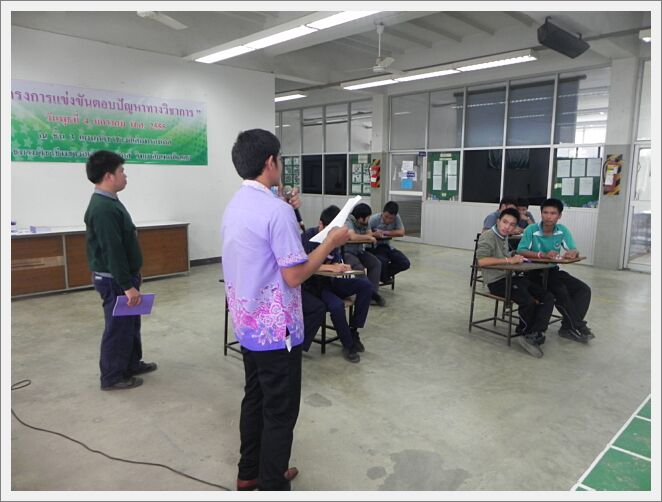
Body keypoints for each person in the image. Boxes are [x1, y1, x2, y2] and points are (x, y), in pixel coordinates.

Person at [222, 129, 348, 491]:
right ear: (270, 162)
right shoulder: (276, 212)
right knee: (280, 412)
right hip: (276, 332)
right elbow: (295, 275)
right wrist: (330, 243)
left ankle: (249, 473)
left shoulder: (235, 205)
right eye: (279, 159)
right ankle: (272, 485)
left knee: (255, 398)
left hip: (247, 325)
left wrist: (285, 207)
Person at [84, 150, 157, 391]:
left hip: (123, 277)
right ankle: (113, 376)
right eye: (121, 171)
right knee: (117, 328)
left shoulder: (110, 201)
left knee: (130, 324)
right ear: (109, 176)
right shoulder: (103, 208)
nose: (125, 175)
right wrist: (127, 285)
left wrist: (133, 274)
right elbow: (112, 251)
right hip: (114, 280)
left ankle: (131, 364)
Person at [476, 208, 555, 358]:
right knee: (528, 301)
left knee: (547, 297)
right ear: (498, 221)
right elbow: (482, 261)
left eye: (512, 225)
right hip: (496, 282)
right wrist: (508, 260)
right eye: (505, 222)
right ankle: (524, 333)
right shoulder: (488, 236)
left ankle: (535, 333)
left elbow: (504, 255)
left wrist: (514, 256)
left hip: (511, 276)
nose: (507, 227)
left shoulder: (504, 236)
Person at [302, 206, 373, 363]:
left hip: (333, 280)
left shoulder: (337, 238)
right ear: (321, 224)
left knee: (366, 286)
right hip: (315, 285)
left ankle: (353, 330)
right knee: (336, 305)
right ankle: (348, 345)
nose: (333, 236)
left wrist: (341, 265)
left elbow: (336, 259)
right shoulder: (307, 237)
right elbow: (303, 265)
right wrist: (329, 267)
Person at [517, 198, 594, 343]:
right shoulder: (531, 230)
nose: (549, 216)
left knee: (584, 290)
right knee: (560, 291)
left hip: (552, 271)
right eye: (545, 212)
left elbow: (572, 248)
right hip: (533, 272)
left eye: (553, 213)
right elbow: (521, 250)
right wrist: (542, 255)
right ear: (541, 214)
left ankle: (568, 327)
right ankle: (578, 326)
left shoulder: (562, 230)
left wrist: (573, 252)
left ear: (559, 216)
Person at [344, 202, 385, 307]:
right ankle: (371, 295)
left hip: (359, 251)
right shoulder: (348, 221)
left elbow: (369, 233)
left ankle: (371, 296)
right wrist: (367, 237)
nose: (368, 220)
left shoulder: (364, 223)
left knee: (376, 263)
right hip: (347, 252)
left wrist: (367, 236)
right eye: (367, 217)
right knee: (359, 268)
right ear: (361, 218)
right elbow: (352, 236)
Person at [367, 201, 411, 284]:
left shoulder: (397, 218)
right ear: (382, 212)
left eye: (391, 218)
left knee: (404, 263)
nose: (388, 220)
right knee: (383, 261)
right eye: (386, 217)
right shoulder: (374, 219)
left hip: (386, 246)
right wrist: (374, 234)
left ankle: (383, 276)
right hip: (373, 247)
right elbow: (364, 233)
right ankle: (383, 276)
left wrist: (386, 232)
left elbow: (401, 232)